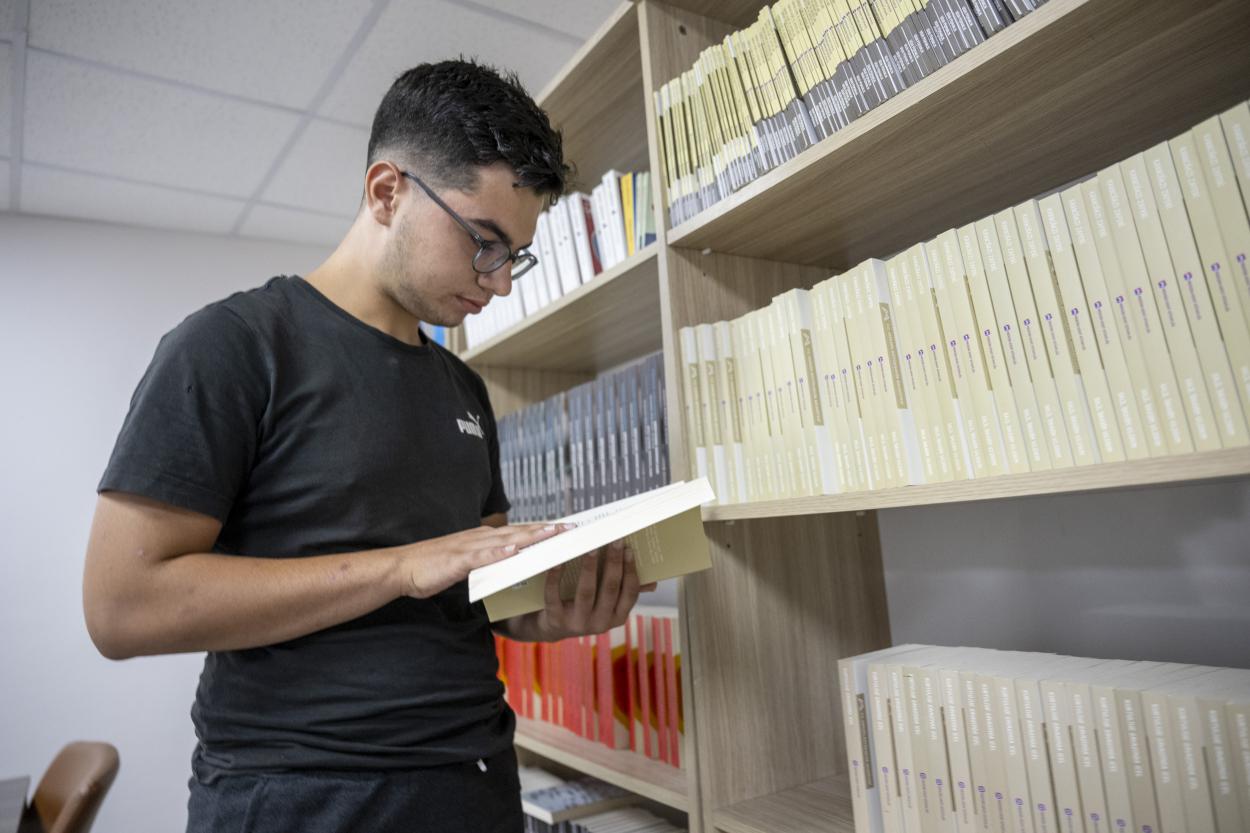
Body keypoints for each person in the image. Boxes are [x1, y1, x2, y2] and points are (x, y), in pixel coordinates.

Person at [82, 59, 652, 833]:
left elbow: (474, 588)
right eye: (483, 242)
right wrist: (401, 566)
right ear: (387, 192)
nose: (500, 283)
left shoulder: (464, 387)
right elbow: (120, 607)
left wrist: (553, 614)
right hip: (304, 798)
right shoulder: (231, 346)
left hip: (479, 783)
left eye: (514, 255)